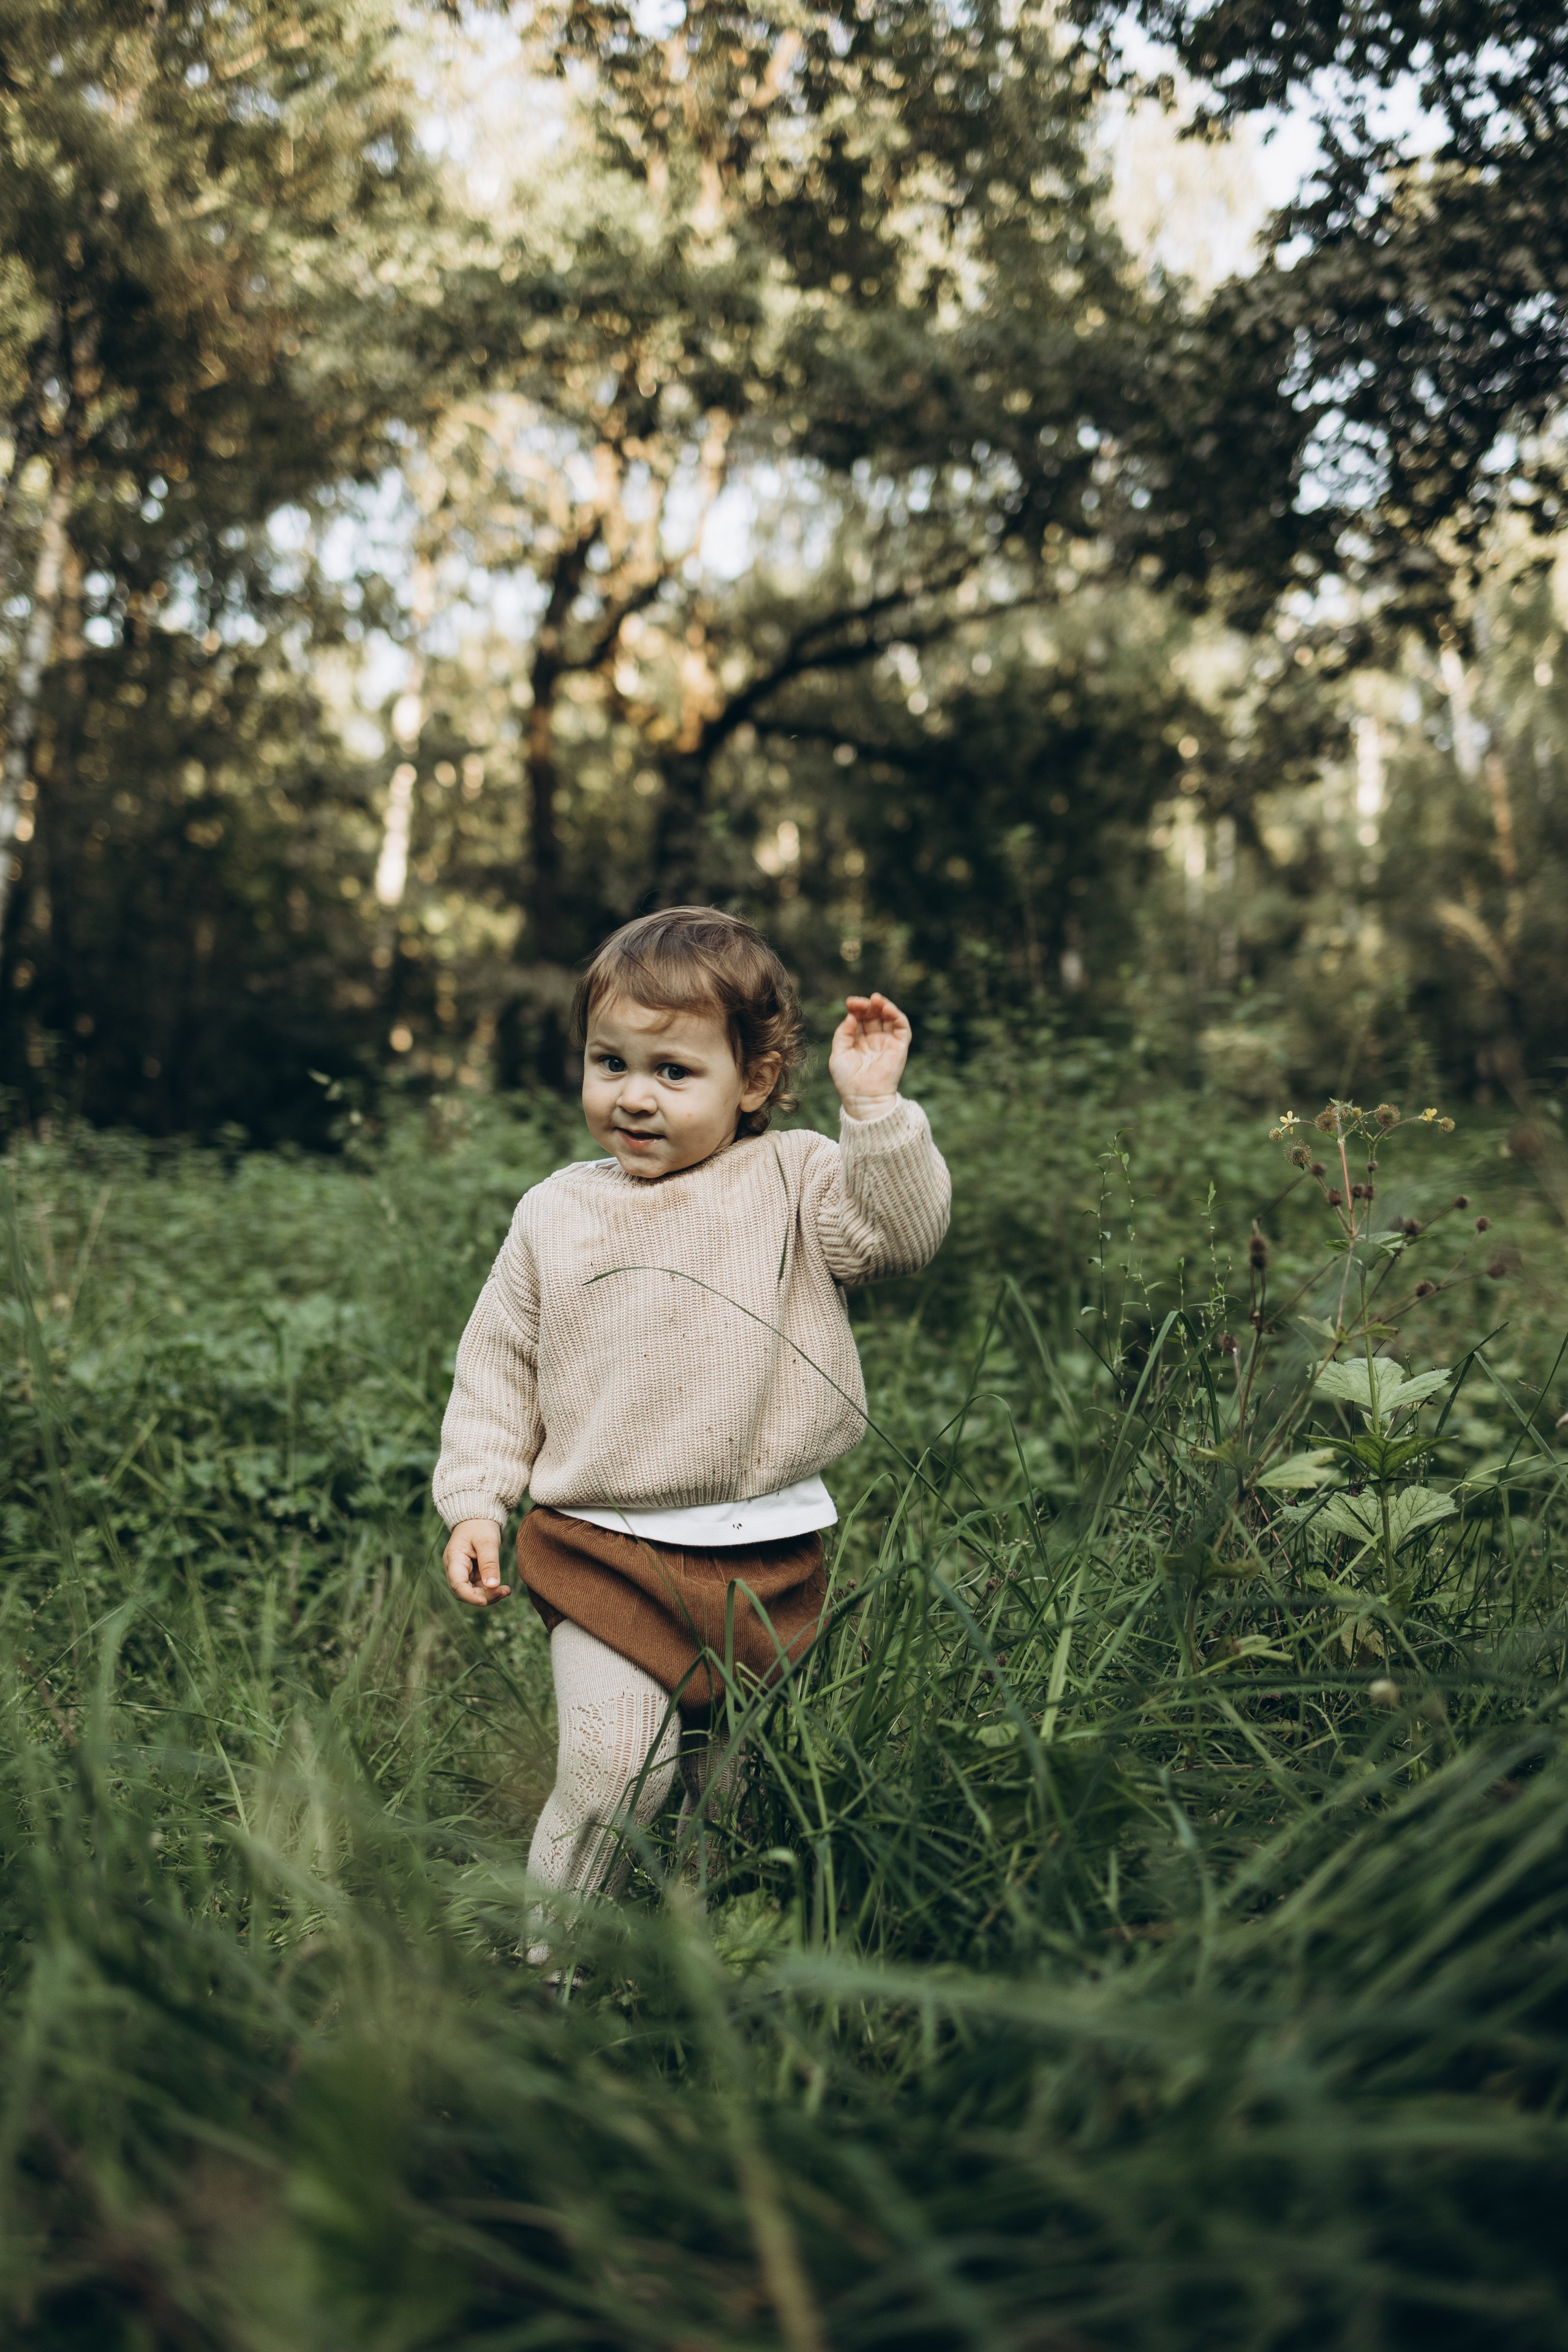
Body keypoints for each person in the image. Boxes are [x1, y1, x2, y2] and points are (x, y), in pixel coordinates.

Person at [433, 906, 950, 1958]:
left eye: (673, 1071)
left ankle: (699, 1962)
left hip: (764, 1553)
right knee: (619, 1766)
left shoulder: (795, 1178)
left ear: (753, 1080)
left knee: (731, 1785)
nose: (633, 1095)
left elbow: (898, 1239)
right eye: (610, 1063)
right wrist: (477, 1500)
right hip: (603, 1547)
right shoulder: (554, 1213)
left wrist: (875, 1112)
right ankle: (553, 1969)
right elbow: (500, 1366)